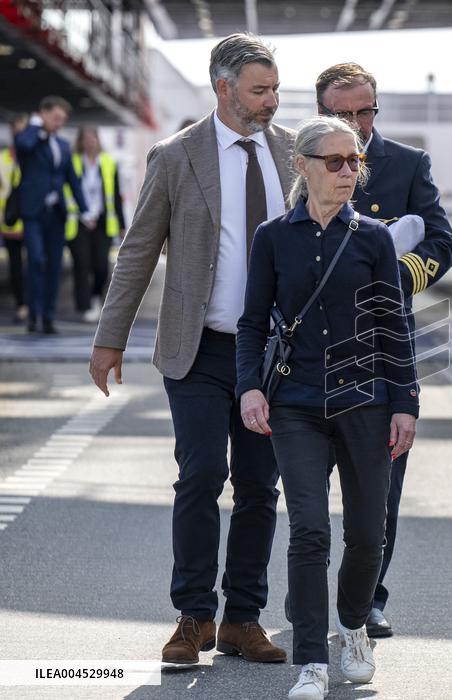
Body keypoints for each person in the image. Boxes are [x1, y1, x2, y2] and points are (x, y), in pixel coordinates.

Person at [89, 33, 294, 667]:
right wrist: (109, 337)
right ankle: (193, 615)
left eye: (275, 89)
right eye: (260, 90)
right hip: (200, 348)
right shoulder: (176, 156)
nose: (271, 101)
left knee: (261, 487)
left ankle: (243, 618)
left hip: (271, 354)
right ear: (224, 89)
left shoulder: (295, 151)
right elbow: (138, 250)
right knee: (202, 473)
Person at [236, 116, 418, 698]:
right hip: (295, 402)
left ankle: (354, 623)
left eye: (354, 162)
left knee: (370, 533)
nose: (347, 172)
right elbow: (249, 324)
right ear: (303, 165)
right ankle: (312, 659)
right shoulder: (272, 237)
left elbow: (394, 326)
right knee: (309, 529)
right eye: (335, 161)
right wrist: (250, 386)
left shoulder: (372, 239)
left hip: (366, 400)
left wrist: (405, 402)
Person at [314, 62, 452, 638]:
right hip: (308, 342)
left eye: (364, 110)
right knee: (303, 486)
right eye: (341, 113)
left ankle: (368, 597)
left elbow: (442, 240)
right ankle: (308, 594)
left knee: (382, 484)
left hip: (379, 342)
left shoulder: (407, 164)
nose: (355, 122)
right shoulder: (292, 156)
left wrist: (396, 278)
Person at [14, 96, 90, 334]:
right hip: (33, 212)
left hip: (56, 215)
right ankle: (33, 315)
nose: (59, 123)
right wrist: (36, 125)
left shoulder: (63, 146)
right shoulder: (30, 137)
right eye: (55, 118)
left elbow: (73, 181)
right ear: (43, 114)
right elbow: (23, 146)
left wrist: (85, 209)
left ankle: (48, 316)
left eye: (62, 120)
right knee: (36, 261)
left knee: (55, 266)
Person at [65, 126, 126, 322]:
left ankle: (95, 297)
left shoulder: (108, 163)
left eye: (94, 137)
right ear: (81, 141)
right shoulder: (72, 162)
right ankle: (85, 305)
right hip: (78, 221)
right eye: (87, 138)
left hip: (102, 222)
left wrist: (122, 225)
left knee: (101, 266)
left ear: (99, 140)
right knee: (82, 264)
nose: (91, 141)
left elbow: (115, 196)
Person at [1, 115, 28, 323]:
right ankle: (21, 304)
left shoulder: (31, 157)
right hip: (9, 222)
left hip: (30, 221)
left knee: (36, 264)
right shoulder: (3, 160)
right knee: (16, 267)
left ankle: (32, 304)